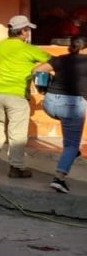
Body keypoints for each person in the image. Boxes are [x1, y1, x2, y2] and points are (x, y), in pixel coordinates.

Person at [0, 15, 51, 178]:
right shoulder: (28, 49)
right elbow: (53, 61)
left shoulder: (0, 46)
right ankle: (16, 167)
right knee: (17, 132)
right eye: (27, 30)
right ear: (22, 31)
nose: (28, 33)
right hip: (16, 94)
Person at [34, 37, 87, 193]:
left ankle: (70, 151)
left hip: (50, 104)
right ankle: (59, 179)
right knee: (72, 144)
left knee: (70, 134)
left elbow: (36, 70)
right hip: (72, 106)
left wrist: (43, 87)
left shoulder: (61, 59)